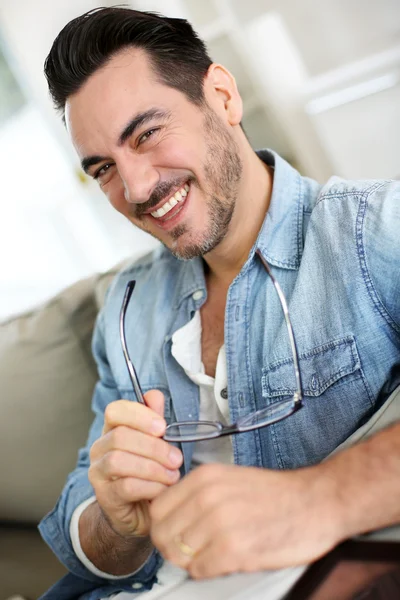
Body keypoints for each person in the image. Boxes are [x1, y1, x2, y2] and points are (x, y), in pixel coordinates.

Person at [38, 6, 400, 600]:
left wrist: (320, 498)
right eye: (104, 168)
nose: (134, 189)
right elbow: (92, 532)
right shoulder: (125, 310)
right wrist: (115, 520)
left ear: (223, 97)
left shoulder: (373, 231)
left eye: (147, 134)